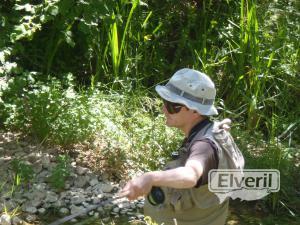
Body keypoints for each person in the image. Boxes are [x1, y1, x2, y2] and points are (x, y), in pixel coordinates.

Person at [119, 68, 244, 225]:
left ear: (195, 111)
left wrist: (150, 178)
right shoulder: (209, 131)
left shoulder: (204, 146)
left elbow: (190, 175)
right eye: (165, 103)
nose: (164, 109)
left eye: (172, 105)